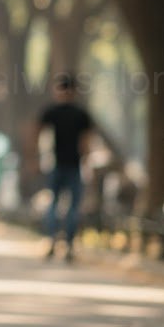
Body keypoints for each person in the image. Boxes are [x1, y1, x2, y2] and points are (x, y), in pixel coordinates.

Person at [34, 74, 94, 262]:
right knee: (73, 207)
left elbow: (38, 134)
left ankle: (52, 240)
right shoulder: (81, 114)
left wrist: (36, 158)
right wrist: (86, 161)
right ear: (74, 91)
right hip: (74, 165)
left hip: (55, 164)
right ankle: (68, 245)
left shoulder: (51, 112)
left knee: (53, 204)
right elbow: (86, 143)